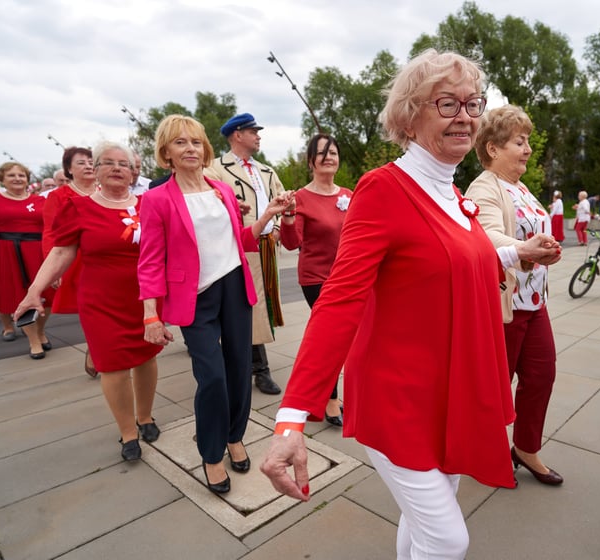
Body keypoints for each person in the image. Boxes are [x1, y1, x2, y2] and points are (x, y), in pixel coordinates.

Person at [261, 50, 524, 559]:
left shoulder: (453, 195)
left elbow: (463, 259)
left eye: (473, 103)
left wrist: (517, 254)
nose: (465, 116)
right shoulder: (385, 188)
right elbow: (338, 301)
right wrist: (291, 419)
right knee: (448, 539)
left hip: (448, 391)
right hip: (398, 400)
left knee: (426, 518)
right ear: (409, 115)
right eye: (447, 103)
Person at [138, 115, 294, 494]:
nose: (190, 148)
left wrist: (266, 218)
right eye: (180, 143)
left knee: (240, 371)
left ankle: (234, 436)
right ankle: (211, 454)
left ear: (204, 149)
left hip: (235, 289)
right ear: (166, 153)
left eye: (195, 142)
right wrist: (151, 315)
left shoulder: (221, 191)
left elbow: (238, 240)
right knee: (212, 378)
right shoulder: (157, 199)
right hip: (195, 298)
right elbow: (150, 259)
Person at [14, 142, 163, 460]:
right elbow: (61, 251)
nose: (117, 168)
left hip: (144, 297)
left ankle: (146, 416)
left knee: (146, 356)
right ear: (95, 169)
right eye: (108, 162)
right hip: (101, 301)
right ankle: (128, 432)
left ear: (133, 171)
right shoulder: (79, 208)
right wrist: (34, 290)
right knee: (112, 365)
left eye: (124, 163)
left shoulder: (149, 203)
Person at [466, 105, 564, 487]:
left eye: (527, 142)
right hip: (502, 305)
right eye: (519, 142)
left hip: (533, 303)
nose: (527, 149)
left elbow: (530, 240)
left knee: (541, 376)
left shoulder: (521, 188)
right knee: (494, 388)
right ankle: (485, 450)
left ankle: (525, 448)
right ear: (492, 148)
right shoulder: (484, 187)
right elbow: (486, 236)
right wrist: (526, 249)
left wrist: (546, 251)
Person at [205, 113, 286, 395]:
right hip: (237, 247)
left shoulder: (266, 170)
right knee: (246, 307)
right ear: (237, 135)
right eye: (253, 131)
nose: (258, 136)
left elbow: (282, 199)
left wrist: (275, 228)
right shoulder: (216, 169)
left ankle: (253, 367)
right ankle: (255, 369)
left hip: (265, 245)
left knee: (262, 308)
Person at [278, 133, 351, 426]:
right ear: (311, 161)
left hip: (347, 276)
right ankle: (330, 400)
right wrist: (288, 217)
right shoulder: (301, 199)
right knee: (331, 340)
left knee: (347, 340)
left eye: (333, 151)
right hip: (317, 279)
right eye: (322, 153)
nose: (329, 157)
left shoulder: (348, 195)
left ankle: (333, 393)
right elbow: (292, 243)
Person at [0, 162, 53, 357]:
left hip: (37, 252)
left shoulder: (40, 201)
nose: (17, 178)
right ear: (3, 179)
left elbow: (51, 227)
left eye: (21, 175)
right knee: (17, 296)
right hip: (7, 252)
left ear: (27, 178)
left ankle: (40, 331)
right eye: (12, 175)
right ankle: (33, 340)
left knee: (47, 296)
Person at [43, 146, 99, 377]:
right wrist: (55, 270)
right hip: (75, 261)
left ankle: (98, 348)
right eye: (81, 162)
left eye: (90, 161)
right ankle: (95, 349)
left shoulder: (106, 190)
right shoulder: (59, 196)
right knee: (90, 310)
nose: (87, 166)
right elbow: (50, 233)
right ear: (69, 169)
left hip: (107, 259)